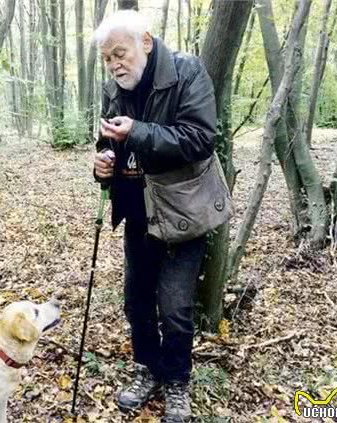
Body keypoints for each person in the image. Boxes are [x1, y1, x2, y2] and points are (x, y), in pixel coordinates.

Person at [91, 9, 222, 423]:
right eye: (107, 58)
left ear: (145, 42)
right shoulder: (114, 89)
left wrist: (137, 131)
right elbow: (109, 139)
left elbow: (201, 138)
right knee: (137, 301)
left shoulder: (186, 72)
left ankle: (177, 381)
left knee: (175, 307)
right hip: (138, 209)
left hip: (184, 208)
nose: (114, 64)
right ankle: (147, 369)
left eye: (120, 53)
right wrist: (103, 164)